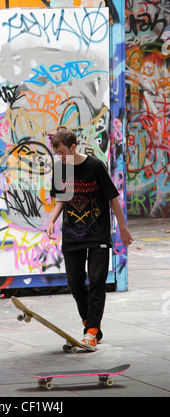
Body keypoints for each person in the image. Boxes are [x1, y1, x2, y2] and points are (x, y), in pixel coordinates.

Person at [47, 127, 133, 348]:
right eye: (57, 153)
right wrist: (52, 220)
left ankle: (93, 330)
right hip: (72, 234)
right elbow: (61, 199)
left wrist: (122, 228)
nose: (60, 157)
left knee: (96, 282)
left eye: (63, 152)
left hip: (98, 233)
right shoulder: (61, 168)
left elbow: (113, 198)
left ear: (73, 147)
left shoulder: (95, 166)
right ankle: (89, 324)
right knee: (75, 284)